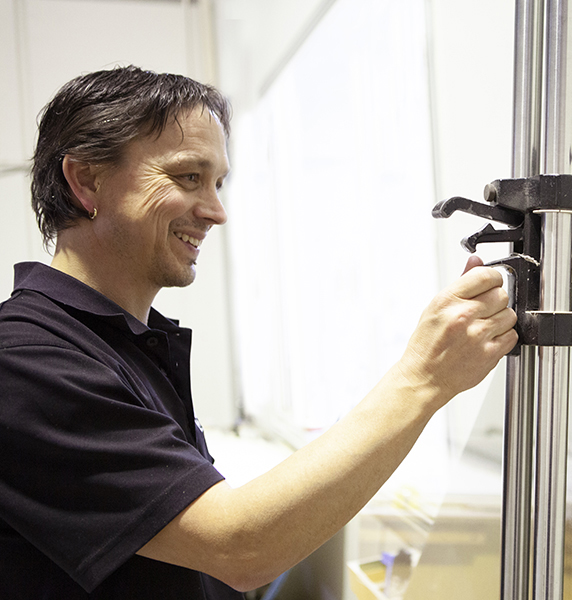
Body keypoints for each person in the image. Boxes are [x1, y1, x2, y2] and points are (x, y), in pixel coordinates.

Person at [0, 66, 517, 599]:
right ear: (86, 181)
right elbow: (239, 549)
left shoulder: (124, 343)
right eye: (188, 177)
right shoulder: (27, 361)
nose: (216, 211)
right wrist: (425, 377)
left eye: (218, 182)